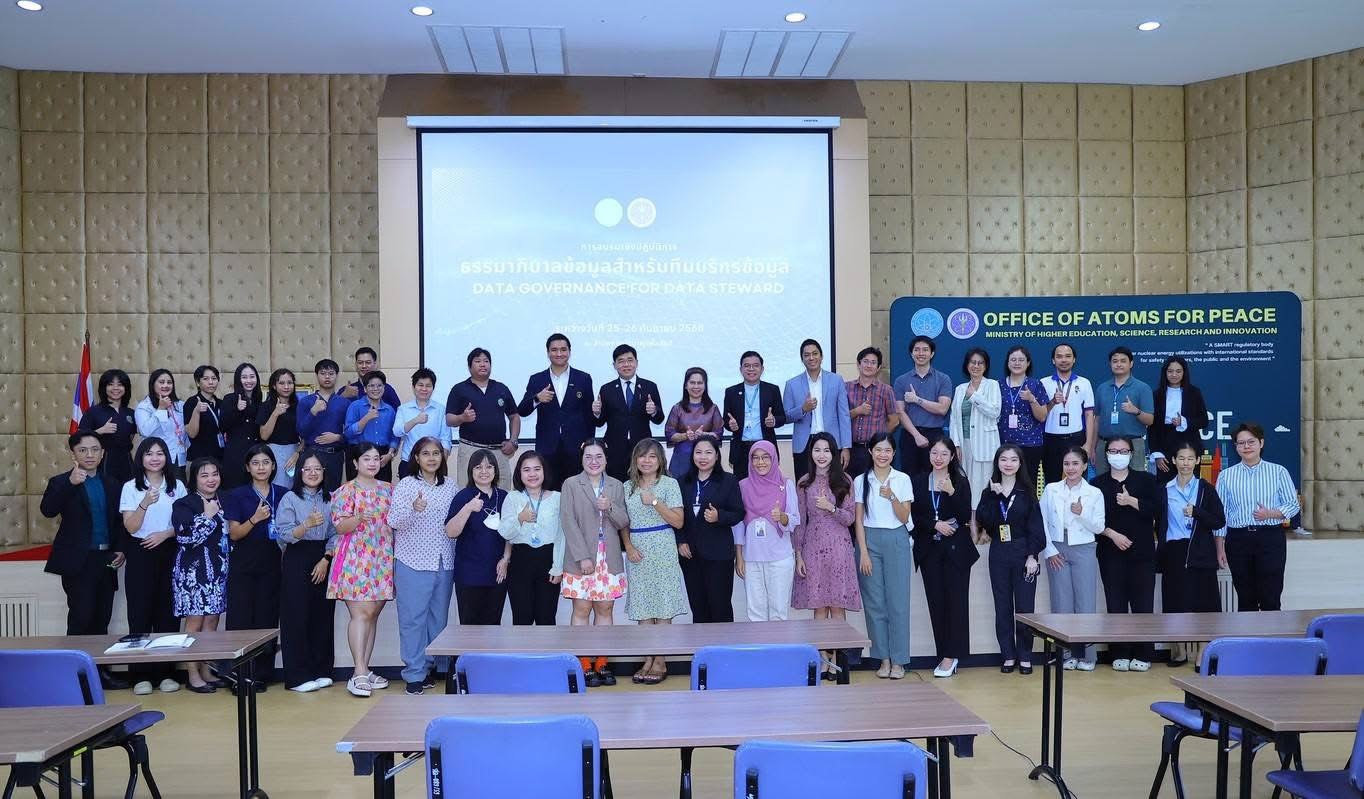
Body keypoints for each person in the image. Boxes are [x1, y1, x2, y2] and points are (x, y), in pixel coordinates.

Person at [42, 432, 127, 688]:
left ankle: (100, 674)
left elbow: (118, 522)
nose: (89, 455)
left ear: (102, 453)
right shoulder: (61, 482)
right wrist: (70, 483)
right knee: (81, 617)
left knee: (102, 619)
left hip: (105, 559)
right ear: (73, 454)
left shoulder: (112, 483)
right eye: (83, 450)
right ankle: (75, 677)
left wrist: (121, 549)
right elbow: (48, 510)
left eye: (95, 449)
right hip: (78, 561)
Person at [386, 437, 459, 695]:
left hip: (444, 561)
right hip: (412, 562)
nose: (431, 458)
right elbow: (394, 521)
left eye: (436, 453)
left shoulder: (450, 486)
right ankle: (414, 674)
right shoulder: (407, 485)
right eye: (425, 453)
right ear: (416, 458)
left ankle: (427, 667)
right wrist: (413, 509)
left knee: (438, 621)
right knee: (413, 620)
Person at [559, 440, 629, 687]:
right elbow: (567, 521)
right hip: (581, 558)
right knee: (581, 609)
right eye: (588, 456)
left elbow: (623, 521)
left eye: (599, 456)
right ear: (581, 459)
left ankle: (602, 663)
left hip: (608, 558)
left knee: (605, 609)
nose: (593, 461)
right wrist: (583, 557)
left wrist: (610, 507)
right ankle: (584, 664)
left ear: (606, 459)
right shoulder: (570, 484)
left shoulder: (616, 485)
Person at [328, 442, 395, 698]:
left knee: (372, 615)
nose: (372, 463)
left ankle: (365, 669)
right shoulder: (345, 491)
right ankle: (357, 673)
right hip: (355, 559)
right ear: (355, 463)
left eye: (376, 458)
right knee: (361, 614)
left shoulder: (389, 490)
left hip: (381, 559)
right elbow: (339, 527)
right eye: (366, 458)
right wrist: (356, 519)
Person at [791, 432, 860, 680]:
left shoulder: (845, 480)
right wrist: (798, 554)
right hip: (813, 547)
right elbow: (800, 521)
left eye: (826, 450)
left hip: (839, 546)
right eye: (817, 450)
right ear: (811, 453)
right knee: (819, 608)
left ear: (834, 454)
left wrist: (831, 507)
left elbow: (850, 518)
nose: (821, 455)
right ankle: (822, 661)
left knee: (837, 607)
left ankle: (838, 662)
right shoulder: (804, 483)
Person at [119, 437, 183, 695]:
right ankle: (140, 676)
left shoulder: (177, 485)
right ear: (141, 458)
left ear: (167, 457)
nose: (155, 458)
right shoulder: (130, 487)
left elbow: (185, 523)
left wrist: (165, 535)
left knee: (167, 614)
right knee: (139, 613)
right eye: (149, 453)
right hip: (140, 551)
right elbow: (130, 527)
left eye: (160, 453)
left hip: (169, 549)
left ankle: (166, 673)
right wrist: (144, 503)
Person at [1215, 422, 1300, 612]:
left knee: (1271, 597)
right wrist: (1219, 547)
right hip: (1238, 540)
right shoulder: (1226, 476)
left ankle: (1272, 632)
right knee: (1245, 599)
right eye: (1241, 443)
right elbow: (1221, 514)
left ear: (1261, 443)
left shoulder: (1278, 472)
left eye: (1251, 442)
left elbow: (1293, 505)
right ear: (1236, 447)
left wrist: (1271, 513)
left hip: (1270, 538)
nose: (1246, 446)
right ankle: (1249, 633)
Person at [976, 445, 1045, 675]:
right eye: (1003, 459)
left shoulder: (1028, 492)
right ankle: (1008, 654)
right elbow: (985, 522)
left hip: (1023, 552)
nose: (1008, 464)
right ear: (997, 462)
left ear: (1020, 463)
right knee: (1002, 606)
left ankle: (1025, 656)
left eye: (1013, 459)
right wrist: (994, 496)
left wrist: (1032, 556)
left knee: (1025, 608)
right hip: (999, 551)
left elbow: (1036, 529)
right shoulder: (989, 492)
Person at [1092, 436, 1160, 671]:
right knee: (1116, 604)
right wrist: (1112, 535)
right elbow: (1093, 520)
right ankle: (1119, 652)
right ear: (1106, 454)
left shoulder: (1146, 480)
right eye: (1113, 451)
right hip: (1110, 552)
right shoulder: (1097, 484)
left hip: (1142, 553)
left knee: (1143, 605)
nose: (1118, 455)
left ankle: (1143, 653)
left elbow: (1157, 509)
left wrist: (1131, 501)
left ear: (1132, 454)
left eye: (1123, 451)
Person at [621, 439, 686, 685]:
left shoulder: (670, 484)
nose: (646, 461)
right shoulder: (627, 487)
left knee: (663, 605)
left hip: (663, 549)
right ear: (635, 459)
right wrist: (628, 546)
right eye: (642, 456)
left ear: (660, 460)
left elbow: (678, 521)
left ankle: (661, 661)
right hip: (637, 551)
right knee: (643, 607)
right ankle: (647, 658)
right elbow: (624, 523)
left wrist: (656, 502)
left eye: (652, 456)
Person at [910, 437, 976, 678]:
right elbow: (913, 516)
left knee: (956, 604)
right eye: (934, 453)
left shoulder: (960, 481)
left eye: (944, 454)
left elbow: (965, 515)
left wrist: (951, 492)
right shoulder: (918, 481)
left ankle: (952, 655)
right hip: (930, 550)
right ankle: (943, 654)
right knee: (936, 603)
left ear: (952, 456)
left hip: (956, 551)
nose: (938, 458)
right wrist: (934, 524)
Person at [274, 449, 338, 693]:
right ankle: (297, 676)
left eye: (317, 469)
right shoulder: (290, 498)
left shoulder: (330, 498)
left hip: (323, 557)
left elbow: (335, 534)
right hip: (297, 556)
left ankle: (321, 670)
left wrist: (326, 558)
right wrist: (306, 525)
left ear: (324, 472)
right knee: (296, 615)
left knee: (322, 616)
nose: (312, 473)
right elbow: (284, 534)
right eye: (307, 469)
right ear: (299, 472)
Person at [1159, 441, 1227, 666]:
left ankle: (1201, 655)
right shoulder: (1165, 489)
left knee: (1204, 604)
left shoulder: (1206, 489)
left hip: (1201, 551)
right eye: (1181, 458)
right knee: (1174, 603)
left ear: (1197, 461)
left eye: (1190, 458)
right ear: (1173, 460)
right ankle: (1178, 651)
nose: (1185, 463)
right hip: (1174, 551)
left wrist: (1197, 512)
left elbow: (1219, 520)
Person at [223, 444, 285, 688]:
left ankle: (262, 675)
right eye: (256, 463)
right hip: (243, 564)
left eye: (266, 462)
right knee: (240, 620)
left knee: (267, 620)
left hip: (272, 563)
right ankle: (238, 677)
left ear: (273, 466)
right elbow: (234, 533)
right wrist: (255, 519)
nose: (261, 467)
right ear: (248, 468)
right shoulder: (237, 495)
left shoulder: (283, 494)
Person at [854, 432, 914, 679]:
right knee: (874, 604)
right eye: (878, 449)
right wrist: (863, 552)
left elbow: (904, 516)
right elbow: (858, 520)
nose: (882, 454)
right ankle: (883, 658)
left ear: (894, 453)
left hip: (896, 539)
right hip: (869, 540)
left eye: (887, 450)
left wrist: (891, 496)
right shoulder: (861, 480)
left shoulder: (902, 479)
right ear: (870, 451)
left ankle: (899, 660)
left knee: (898, 603)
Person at [1040, 446, 1105, 670]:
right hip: (1057, 547)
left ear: (1085, 466)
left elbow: (1099, 526)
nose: (1070, 468)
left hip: (1084, 547)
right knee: (1061, 602)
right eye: (1067, 464)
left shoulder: (1094, 493)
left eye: (1075, 463)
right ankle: (1065, 654)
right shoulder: (1051, 489)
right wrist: (1049, 550)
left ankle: (1087, 656)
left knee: (1085, 603)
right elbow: (1042, 521)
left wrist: (1082, 513)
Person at [171, 457, 230, 692]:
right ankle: (192, 673)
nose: (211, 479)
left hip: (218, 570)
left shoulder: (225, 500)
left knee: (212, 620)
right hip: (193, 574)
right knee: (194, 622)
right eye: (204, 475)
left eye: (215, 474)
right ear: (194, 478)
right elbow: (185, 538)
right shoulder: (184, 504)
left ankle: (206, 669)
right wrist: (207, 517)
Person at [677, 435, 744, 623]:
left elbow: (739, 513)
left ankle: (723, 644)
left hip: (719, 555)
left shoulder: (728, 481)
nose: (703, 457)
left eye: (708, 452)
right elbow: (676, 516)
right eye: (698, 452)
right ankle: (701, 643)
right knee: (698, 608)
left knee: (720, 608)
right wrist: (680, 541)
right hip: (690, 556)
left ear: (716, 456)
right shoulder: (682, 482)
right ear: (692, 456)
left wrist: (719, 516)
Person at [518, 333, 595, 491]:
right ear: (548, 353)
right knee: (548, 491)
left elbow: (589, 416)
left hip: (576, 447)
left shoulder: (583, 378)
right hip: (547, 447)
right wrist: (537, 398)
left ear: (569, 351)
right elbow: (522, 410)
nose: (559, 354)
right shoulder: (537, 379)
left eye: (563, 349)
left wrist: (588, 444)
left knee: (576, 491)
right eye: (554, 350)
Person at [734, 440, 800, 621]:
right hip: (751, 558)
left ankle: (778, 643)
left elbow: (795, 520)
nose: (760, 462)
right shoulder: (743, 486)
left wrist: (782, 517)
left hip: (780, 558)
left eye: (765, 457)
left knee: (778, 612)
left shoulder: (786, 485)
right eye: (755, 458)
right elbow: (738, 525)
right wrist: (739, 557)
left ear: (774, 459)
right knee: (755, 613)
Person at [499, 450, 565, 627]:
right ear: (519, 473)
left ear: (544, 471)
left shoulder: (558, 498)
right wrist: (520, 518)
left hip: (548, 561)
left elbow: (561, 536)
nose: (532, 474)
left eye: (537, 469)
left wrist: (558, 567)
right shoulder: (512, 497)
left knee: (546, 619)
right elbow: (505, 532)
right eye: (526, 470)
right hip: (521, 561)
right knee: (522, 619)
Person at [445, 449, 511, 626]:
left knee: (493, 626)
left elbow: (511, 533)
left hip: (497, 574)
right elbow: (450, 532)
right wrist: (468, 508)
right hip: (469, 575)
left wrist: (506, 558)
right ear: (471, 471)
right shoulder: (463, 496)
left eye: (489, 467)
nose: (484, 471)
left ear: (495, 470)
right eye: (478, 467)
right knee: (470, 628)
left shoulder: (504, 497)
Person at [445, 347, 520, 489]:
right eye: (478, 361)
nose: (483, 364)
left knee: (502, 492)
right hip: (470, 449)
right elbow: (449, 419)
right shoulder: (459, 389)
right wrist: (462, 417)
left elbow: (514, 416)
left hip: (499, 451)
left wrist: (513, 441)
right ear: (469, 367)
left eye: (486, 361)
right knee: (468, 492)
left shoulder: (501, 388)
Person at [593, 345, 665, 481]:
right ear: (614, 365)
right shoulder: (606, 389)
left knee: (643, 484)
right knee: (616, 486)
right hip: (615, 449)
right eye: (621, 361)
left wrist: (654, 411)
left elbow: (659, 419)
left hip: (642, 449)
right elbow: (599, 422)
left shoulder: (649, 386)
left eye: (630, 360)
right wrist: (596, 413)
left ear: (636, 363)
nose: (626, 364)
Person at [782, 339, 852, 480]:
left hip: (832, 441)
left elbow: (844, 415)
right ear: (802, 359)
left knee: (834, 484)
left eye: (815, 353)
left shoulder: (836, 380)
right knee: (804, 485)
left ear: (821, 356)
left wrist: (846, 447)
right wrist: (803, 409)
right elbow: (786, 416)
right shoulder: (792, 384)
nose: (811, 358)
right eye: (807, 355)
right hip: (804, 444)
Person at [950, 347, 1001, 538]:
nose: (976, 366)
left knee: (986, 486)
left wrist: (974, 396)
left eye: (980, 363)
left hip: (985, 444)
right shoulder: (959, 389)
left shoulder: (992, 385)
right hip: (964, 445)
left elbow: (995, 412)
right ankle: (972, 524)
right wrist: (955, 444)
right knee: (968, 485)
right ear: (967, 365)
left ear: (986, 366)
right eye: (973, 362)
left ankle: (987, 528)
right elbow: (954, 419)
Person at [893, 335, 954, 475]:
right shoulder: (901, 380)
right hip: (909, 435)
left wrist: (917, 399)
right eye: (917, 350)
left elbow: (942, 409)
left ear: (932, 354)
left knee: (934, 476)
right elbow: (900, 412)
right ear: (911, 353)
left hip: (935, 435)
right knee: (910, 478)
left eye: (925, 350)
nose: (921, 353)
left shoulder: (943, 379)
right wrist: (916, 435)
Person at [722, 351, 786, 479]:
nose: (751, 369)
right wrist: (731, 425)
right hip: (741, 449)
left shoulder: (772, 390)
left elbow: (782, 417)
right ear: (741, 369)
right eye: (747, 365)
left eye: (755, 365)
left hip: (765, 447)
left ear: (762, 369)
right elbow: (726, 420)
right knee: (742, 486)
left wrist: (773, 421)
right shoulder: (731, 392)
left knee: (766, 485)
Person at [1039, 343, 1096, 484]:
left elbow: (1089, 415)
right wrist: (1052, 402)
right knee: (1052, 482)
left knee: (1077, 481)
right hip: (1050, 439)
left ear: (1074, 359)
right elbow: (1040, 414)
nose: (1063, 360)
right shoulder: (1043, 383)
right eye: (1059, 357)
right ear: (1053, 360)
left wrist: (1088, 444)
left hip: (1076, 438)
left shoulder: (1084, 383)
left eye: (1068, 356)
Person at [1093, 347, 1154, 475]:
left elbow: (1150, 420)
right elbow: (1097, 420)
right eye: (1115, 361)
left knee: (1135, 482)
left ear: (1131, 363)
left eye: (1123, 361)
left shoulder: (1143, 388)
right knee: (1102, 482)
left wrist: (1136, 411)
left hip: (1133, 444)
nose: (1119, 364)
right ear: (1110, 364)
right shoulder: (1102, 388)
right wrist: (1093, 447)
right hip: (1104, 444)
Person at [1149, 356, 1209, 483]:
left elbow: (1204, 421)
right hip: (1164, 447)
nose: (1174, 375)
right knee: (1164, 487)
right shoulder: (1157, 395)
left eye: (1178, 371)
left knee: (1190, 484)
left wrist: (1184, 422)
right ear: (1165, 373)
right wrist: (1157, 453)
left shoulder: (1194, 393)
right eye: (1170, 371)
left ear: (1184, 372)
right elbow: (1152, 427)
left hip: (1189, 445)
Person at [996, 346, 1049, 485]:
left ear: (1028, 363)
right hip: (1004, 443)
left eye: (1021, 360)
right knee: (1005, 483)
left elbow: (1042, 417)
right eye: (1013, 360)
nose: (1017, 363)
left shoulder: (1035, 384)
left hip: (1030, 444)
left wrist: (1032, 399)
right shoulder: (998, 385)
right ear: (1008, 363)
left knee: (1028, 484)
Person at [296, 358, 350, 491]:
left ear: (337, 376)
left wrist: (338, 437)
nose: (327, 377)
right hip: (311, 454)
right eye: (323, 373)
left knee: (332, 494)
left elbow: (352, 433)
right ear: (316, 375)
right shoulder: (306, 401)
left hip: (335, 456)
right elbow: (301, 432)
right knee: (309, 493)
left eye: (331, 373)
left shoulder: (344, 403)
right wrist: (313, 412)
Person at [663, 367, 724, 481]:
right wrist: (685, 436)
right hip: (682, 460)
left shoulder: (713, 408)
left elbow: (718, 433)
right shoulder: (677, 408)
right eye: (692, 382)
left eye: (700, 383)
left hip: (705, 460)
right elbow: (669, 434)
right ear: (686, 385)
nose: (696, 386)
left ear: (705, 386)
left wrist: (705, 435)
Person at [79, 368, 137, 485]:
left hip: (126, 461)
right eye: (110, 384)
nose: (115, 388)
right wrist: (100, 431)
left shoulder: (131, 413)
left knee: (127, 492)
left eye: (120, 385)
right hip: (103, 461)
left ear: (126, 388)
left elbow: (131, 436)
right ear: (104, 388)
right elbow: (79, 439)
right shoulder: (93, 412)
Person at [846, 346, 897, 477]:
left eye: (873, 362)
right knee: (850, 485)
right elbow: (840, 418)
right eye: (865, 361)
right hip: (849, 448)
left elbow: (894, 421)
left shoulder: (886, 390)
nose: (869, 365)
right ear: (859, 364)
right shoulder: (846, 387)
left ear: (878, 367)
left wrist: (880, 438)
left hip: (874, 450)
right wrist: (857, 411)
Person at [392, 367, 452, 479]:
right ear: (413, 387)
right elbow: (397, 432)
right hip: (409, 462)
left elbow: (446, 439)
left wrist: (441, 463)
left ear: (433, 388)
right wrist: (415, 420)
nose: (424, 389)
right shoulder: (404, 409)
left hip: (434, 463)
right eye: (420, 385)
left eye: (428, 386)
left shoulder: (440, 410)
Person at [344, 370, 399, 482]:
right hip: (359, 454)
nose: (376, 389)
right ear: (365, 389)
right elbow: (348, 433)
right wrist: (366, 418)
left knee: (383, 490)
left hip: (382, 456)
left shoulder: (389, 410)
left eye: (379, 386)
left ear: (384, 388)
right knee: (358, 491)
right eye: (371, 386)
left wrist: (390, 454)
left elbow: (395, 436)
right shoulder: (355, 406)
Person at [219, 363, 263, 490]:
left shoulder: (259, 400)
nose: (249, 381)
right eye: (244, 377)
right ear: (238, 379)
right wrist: (237, 410)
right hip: (236, 454)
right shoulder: (230, 398)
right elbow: (222, 426)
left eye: (252, 377)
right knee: (235, 489)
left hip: (255, 453)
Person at [135, 369, 186, 476]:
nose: (166, 385)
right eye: (161, 382)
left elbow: (184, 429)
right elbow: (145, 431)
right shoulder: (144, 407)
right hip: (155, 460)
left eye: (169, 382)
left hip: (178, 457)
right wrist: (161, 409)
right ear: (153, 384)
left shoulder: (179, 405)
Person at [257, 368, 300, 489]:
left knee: (295, 489)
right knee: (276, 488)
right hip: (273, 452)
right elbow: (264, 435)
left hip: (295, 452)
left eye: (290, 383)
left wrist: (298, 453)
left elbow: (306, 434)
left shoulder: (299, 406)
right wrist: (275, 413)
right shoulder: (266, 406)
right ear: (274, 386)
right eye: (281, 383)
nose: (286, 387)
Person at [182, 364, 225, 463]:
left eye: (214, 378)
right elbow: (192, 433)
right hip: (200, 458)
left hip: (221, 457)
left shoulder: (221, 403)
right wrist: (196, 412)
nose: (211, 382)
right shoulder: (192, 402)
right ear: (198, 382)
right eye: (206, 379)